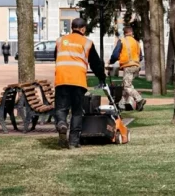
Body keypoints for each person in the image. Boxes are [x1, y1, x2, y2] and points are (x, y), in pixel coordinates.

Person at [54, 18, 106, 149]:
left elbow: (56, 56)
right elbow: (95, 63)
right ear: (83, 29)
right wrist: (102, 78)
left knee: (61, 108)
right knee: (77, 111)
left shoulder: (60, 41)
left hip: (61, 79)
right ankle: (73, 141)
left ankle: (61, 124)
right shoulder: (87, 42)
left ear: (72, 27)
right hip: (78, 81)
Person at [108, 25, 146, 111]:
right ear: (132, 33)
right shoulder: (136, 42)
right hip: (136, 67)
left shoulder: (122, 41)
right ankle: (121, 105)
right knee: (126, 85)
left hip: (128, 66)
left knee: (127, 86)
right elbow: (140, 57)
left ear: (124, 33)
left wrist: (111, 62)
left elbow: (115, 55)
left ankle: (139, 100)